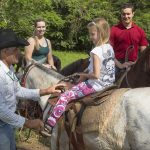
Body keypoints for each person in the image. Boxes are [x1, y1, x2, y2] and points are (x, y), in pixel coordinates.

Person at [41, 18, 116, 136]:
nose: (90, 37)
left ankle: (49, 125)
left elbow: (95, 75)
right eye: (90, 34)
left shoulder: (96, 51)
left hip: (96, 85)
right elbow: (99, 65)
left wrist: (82, 75)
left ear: (101, 33)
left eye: (92, 34)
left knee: (65, 96)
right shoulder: (109, 47)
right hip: (110, 84)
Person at [0, 29, 65, 150]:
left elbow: (18, 90)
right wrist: (28, 123)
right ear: (4, 52)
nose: (19, 53)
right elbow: (1, 111)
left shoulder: (9, 69)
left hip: (7, 124)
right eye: (15, 50)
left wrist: (45, 91)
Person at [110, 3, 149, 75]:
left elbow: (144, 53)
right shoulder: (113, 30)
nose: (126, 16)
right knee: (109, 82)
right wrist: (120, 65)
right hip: (116, 64)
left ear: (133, 14)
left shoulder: (140, 31)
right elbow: (108, 52)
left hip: (134, 64)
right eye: (123, 14)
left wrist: (135, 63)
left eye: (128, 14)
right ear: (121, 14)